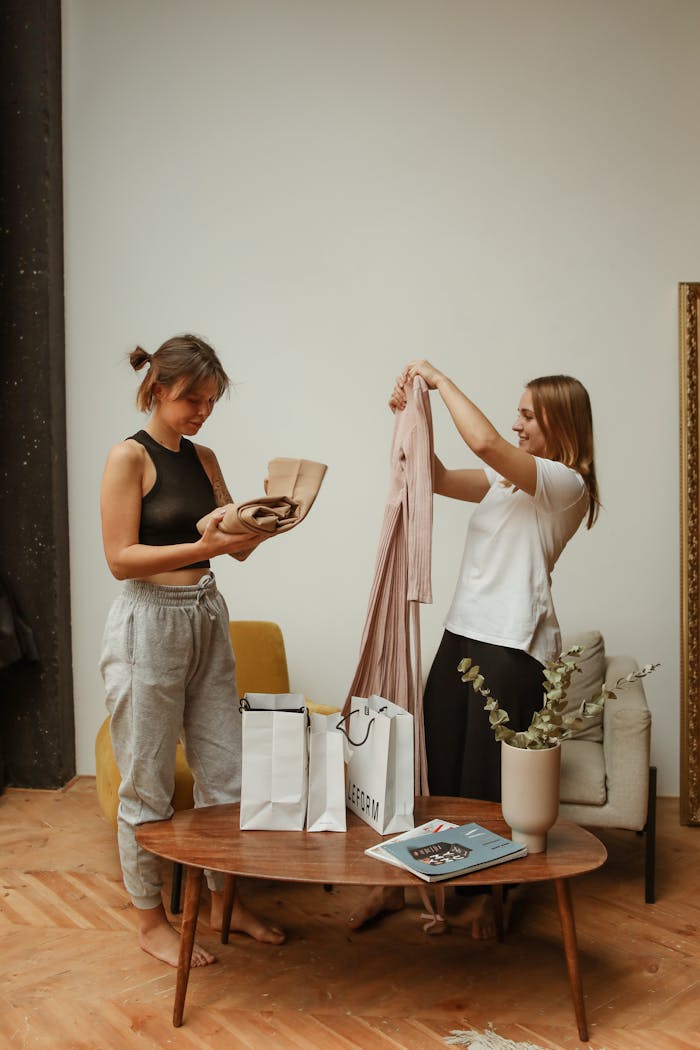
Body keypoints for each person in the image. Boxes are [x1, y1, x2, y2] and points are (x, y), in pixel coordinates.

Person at [347, 359, 599, 936]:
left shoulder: (564, 484)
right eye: (518, 412)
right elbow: (432, 476)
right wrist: (412, 414)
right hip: (462, 635)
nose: (517, 424)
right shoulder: (505, 482)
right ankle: (406, 886)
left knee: (490, 787)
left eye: (529, 415)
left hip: (513, 648)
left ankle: (496, 895)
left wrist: (438, 378)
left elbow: (483, 441)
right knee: (436, 770)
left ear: (560, 423)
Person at [99, 333, 285, 968]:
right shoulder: (129, 457)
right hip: (147, 624)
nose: (202, 412)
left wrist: (266, 521)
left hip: (206, 613)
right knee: (146, 782)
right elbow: (120, 559)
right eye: (191, 399)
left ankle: (220, 900)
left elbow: (231, 547)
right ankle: (151, 918)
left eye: (210, 401)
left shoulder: (204, 458)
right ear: (156, 389)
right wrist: (205, 547)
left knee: (226, 774)